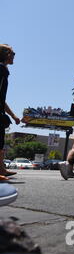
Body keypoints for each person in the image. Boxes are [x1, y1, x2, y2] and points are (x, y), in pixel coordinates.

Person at [0, 45, 21, 181]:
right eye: (12, 53)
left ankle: (1, 169)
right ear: (5, 54)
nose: (14, 55)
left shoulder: (3, 69)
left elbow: (2, 99)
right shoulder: (1, 69)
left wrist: (13, 115)